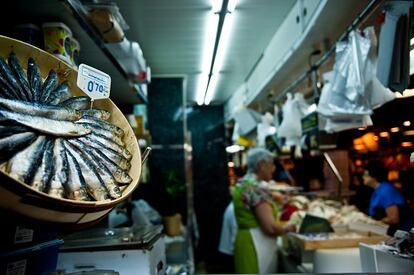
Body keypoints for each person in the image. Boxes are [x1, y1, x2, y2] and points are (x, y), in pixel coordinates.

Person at [232, 148, 296, 274]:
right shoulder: (255, 188)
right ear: (261, 165)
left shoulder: (243, 182)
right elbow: (270, 228)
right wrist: (289, 228)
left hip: (245, 241)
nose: (273, 168)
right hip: (255, 245)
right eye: (271, 164)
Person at [363, 159, 414, 236]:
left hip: (402, 233)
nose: (363, 177)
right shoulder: (377, 189)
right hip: (391, 231)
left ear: (374, 176)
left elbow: (393, 219)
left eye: (365, 175)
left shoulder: (386, 190)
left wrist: (374, 222)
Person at [218, 201, 237, 273]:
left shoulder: (232, 206)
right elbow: (234, 238)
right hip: (230, 254)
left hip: (228, 251)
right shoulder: (234, 209)